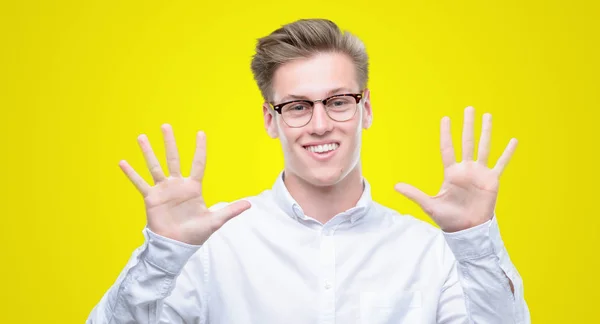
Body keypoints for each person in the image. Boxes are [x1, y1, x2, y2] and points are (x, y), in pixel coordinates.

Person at [86, 19, 530, 323]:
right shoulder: (207, 249)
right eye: (297, 106)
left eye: (338, 101)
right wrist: (163, 255)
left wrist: (476, 240)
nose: (320, 124)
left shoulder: (434, 252)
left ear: (366, 108)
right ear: (270, 119)